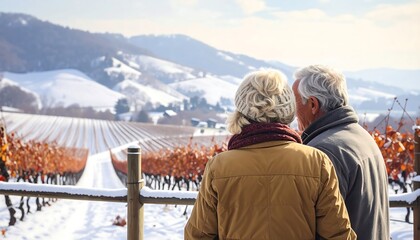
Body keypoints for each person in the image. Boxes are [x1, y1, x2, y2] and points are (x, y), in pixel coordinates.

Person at [184, 69, 356, 239]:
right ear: (288, 109)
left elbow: (197, 236)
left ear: (242, 109)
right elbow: (338, 235)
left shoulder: (219, 166)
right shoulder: (316, 162)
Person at [292, 65, 389, 240]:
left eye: (294, 102)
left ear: (313, 104)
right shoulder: (362, 137)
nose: (292, 112)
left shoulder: (322, 153)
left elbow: (322, 229)